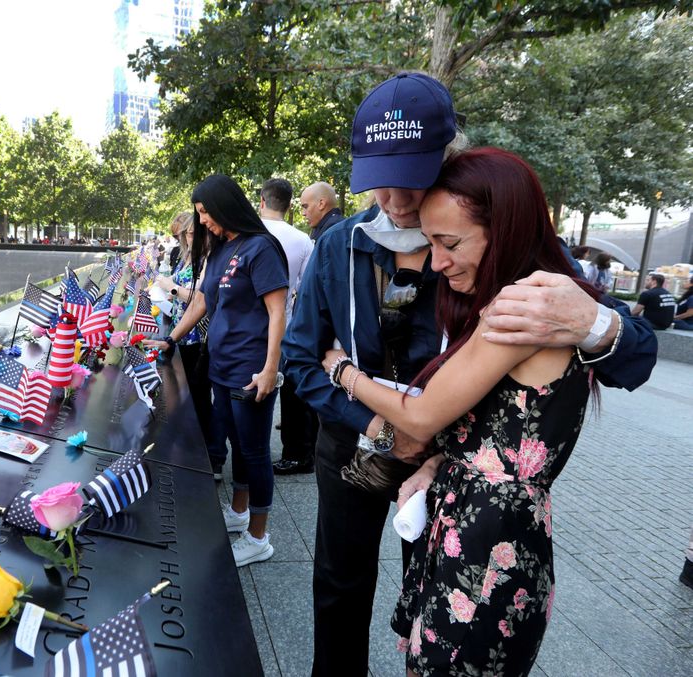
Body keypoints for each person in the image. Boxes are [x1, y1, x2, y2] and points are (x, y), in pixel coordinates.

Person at [281, 71, 658, 676]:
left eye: (415, 178)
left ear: (450, 157)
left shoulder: (495, 230)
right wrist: (379, 423)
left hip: (453, 468)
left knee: (432, 591)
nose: (398, 202)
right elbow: (302, 360)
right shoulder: (339, 244)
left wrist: (593, 322)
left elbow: (635, 354)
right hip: (354, 441)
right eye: (382, 181)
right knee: (338, 582)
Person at [323, 147, 600, 675]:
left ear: (507, 228)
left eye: (449, 243)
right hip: (476, 525)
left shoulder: (523, 309)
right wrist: (432, 466)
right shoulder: (527, 299)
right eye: (430, 243)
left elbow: (423, 414)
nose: (437, 261)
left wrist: (343, 372)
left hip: (486, 540)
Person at [147, 174, 289, 567]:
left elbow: (278, 312)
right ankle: (240, 513)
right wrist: (171, 339)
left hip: (251, 369)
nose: (203, 220)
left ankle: (259, 537)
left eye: (206, 212)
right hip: (222, 366)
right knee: (235, 443)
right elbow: (203, 302)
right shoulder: (224, 248)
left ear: (225, 205)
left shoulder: (261, 248)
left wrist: (270, 369)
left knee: (255, 452)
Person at [257, 178, 319, 475]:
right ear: (289, 204)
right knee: (287, 390)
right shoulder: (302, 240)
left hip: (251, 327)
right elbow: (306, 288)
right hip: (288, 324)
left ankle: (251, 450)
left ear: (262, 201)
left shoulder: (249, 233)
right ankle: (293, 450)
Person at [152, 212, 222, 471]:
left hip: (198, 336)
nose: (190, 238)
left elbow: (196, 299)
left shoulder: (208, 259)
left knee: (199, 395)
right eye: (187, 233)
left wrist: (168, 286)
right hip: (183, 330)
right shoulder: (187, 256)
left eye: (195, 233)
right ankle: (196, 448)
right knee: (188, 393)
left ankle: (208, 454)